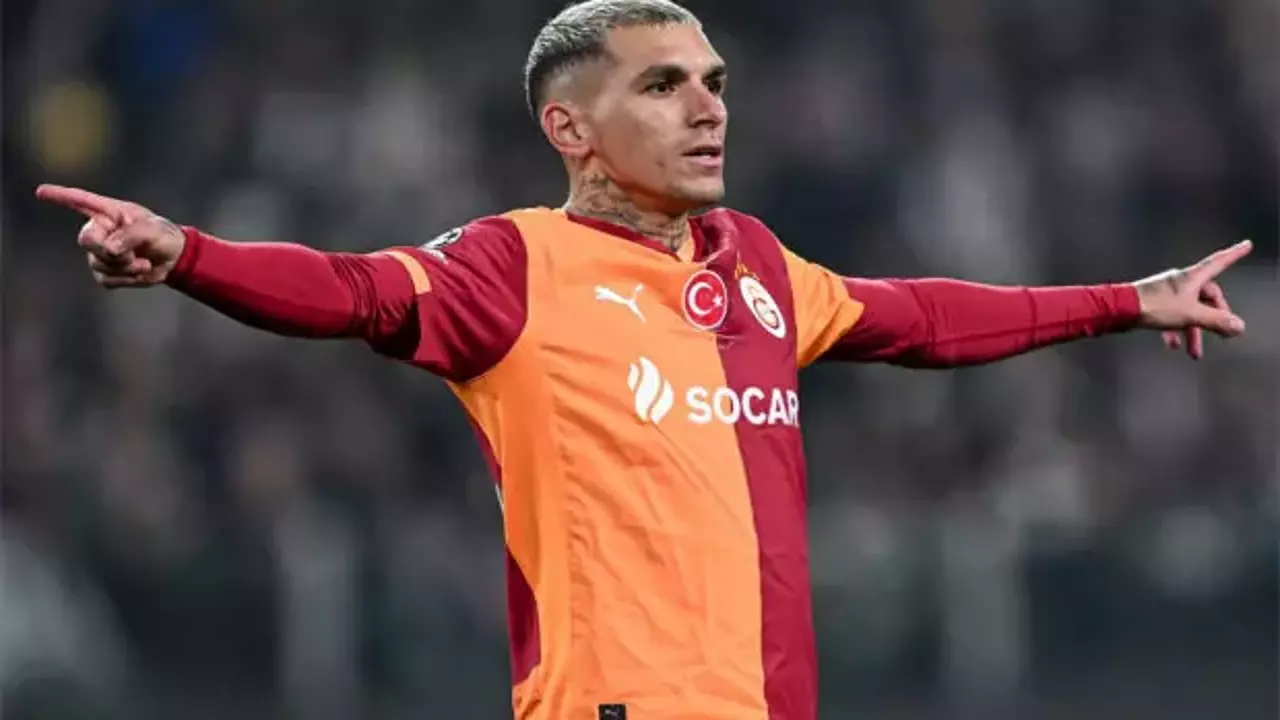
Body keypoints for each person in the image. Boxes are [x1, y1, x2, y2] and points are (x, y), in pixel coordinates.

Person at [36, 1, 1250, 718]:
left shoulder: (755, 264)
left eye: (713, 83)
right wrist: (188, 254)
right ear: (568, 127)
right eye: (663, 86)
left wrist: (1125, 301)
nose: (707, 108)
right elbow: (353, 291)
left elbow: (917, 317)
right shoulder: (515, 266)